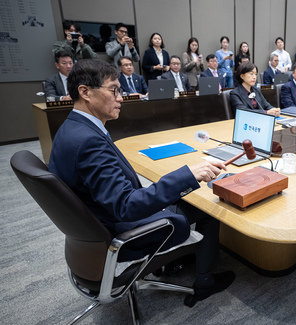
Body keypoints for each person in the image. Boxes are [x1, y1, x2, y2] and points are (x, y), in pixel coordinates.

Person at [48, 59, 235, 305]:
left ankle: (173, 262)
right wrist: (189, 174)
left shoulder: (71, 128)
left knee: (186, 195)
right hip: (122, 231)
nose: (121, 98)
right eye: (114, 90)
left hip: (94, 226)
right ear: (85, 92)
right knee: (207, 209)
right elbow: (126, 205)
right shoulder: (88, 142)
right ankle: (204, 282)